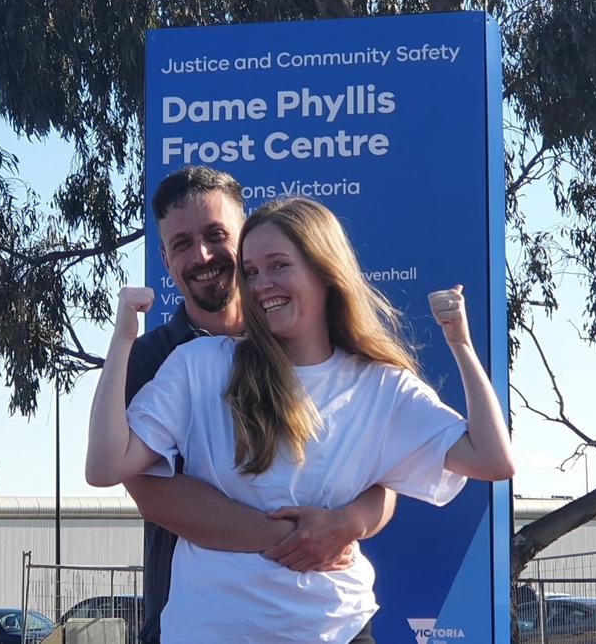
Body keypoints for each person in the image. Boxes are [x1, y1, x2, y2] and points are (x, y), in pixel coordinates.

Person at [87, 197, 515, 643]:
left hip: (338, 628)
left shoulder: (381, 386)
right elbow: (104, 466)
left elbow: (492, 460)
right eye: (251, 271)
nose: (261, 285)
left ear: (324, 270)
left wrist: (461, 346)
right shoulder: (200, 364)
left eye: (278, 266)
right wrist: (122, 342)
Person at [120, 167, 397, 644]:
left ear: (245, 239)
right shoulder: (155, 359)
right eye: (182, 244)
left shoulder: (313, 341)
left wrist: (345, 524)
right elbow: (153, 492)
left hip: (332, 622)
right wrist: (298, 540)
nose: (203, 255)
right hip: (200, 622)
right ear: (165, 259)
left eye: (216, 235)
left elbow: (383, 477)